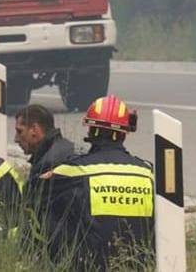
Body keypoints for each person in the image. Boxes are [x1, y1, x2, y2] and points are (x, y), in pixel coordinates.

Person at [41, 95, 154, 270]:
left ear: (90, 130)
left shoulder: (70, 172)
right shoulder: (148, 174)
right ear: (125, 133)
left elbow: (34, 195)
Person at [14, 104, 74, 244]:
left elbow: (36, 215)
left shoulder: (48, 163)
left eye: (20, 131)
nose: (16, 139)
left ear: (35, 129)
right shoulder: (67, 148)